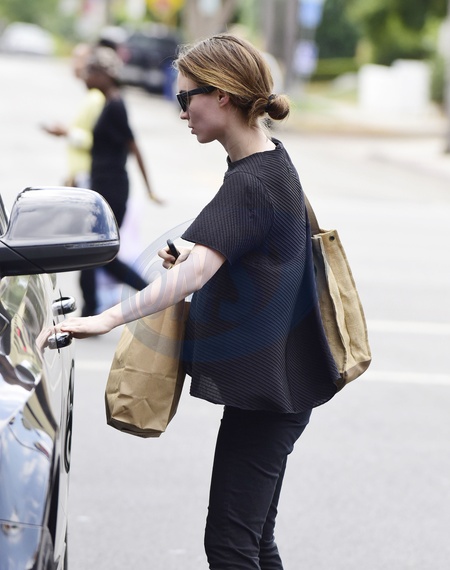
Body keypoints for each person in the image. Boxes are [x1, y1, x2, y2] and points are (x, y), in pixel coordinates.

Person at [57, 34, 339, 569]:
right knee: (253, 540)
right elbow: (247, 249)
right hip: (282, 388)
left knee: (230, 545)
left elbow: (196, 273)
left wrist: (106, 318)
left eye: (186, 97)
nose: (182, 111)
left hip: (273, 398)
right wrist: (198, 254)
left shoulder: (252, 179)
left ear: (222, 96)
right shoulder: (270, 160)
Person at [79, 46, 163, 317]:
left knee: (93, 253)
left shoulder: (116, 105)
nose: (85, 76)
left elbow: (134, 146)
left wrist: (150, 189)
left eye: (91, 71)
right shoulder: (108, 103)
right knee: (99, 255)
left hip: (111, 190)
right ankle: (152, 295)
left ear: (105, 75)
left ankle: (152, 295)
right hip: (102, 187)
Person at [42, 43, 105, 187]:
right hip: (80, 176)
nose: (74, 64)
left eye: (79, 59)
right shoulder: (90, 96)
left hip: (88, 176)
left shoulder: (96, 98)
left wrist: (67, 132)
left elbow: (96, 141)